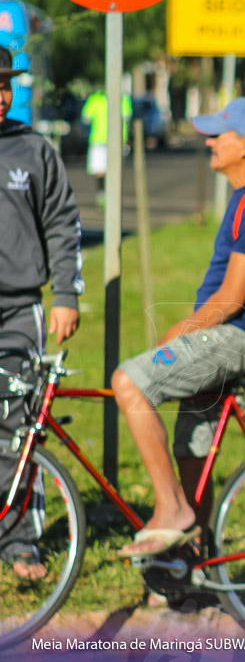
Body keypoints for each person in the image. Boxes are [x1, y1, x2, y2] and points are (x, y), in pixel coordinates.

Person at [112, 97, 245, 557]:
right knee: (193, 449)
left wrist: (181, 330)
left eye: (219, 135)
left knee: (129, 382)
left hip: (241, 335)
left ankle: (172, 509)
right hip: (227, 334)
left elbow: (231, 298)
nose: (209, 142)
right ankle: (200, 566)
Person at [0, 45, 83, 580]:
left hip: (17, 309)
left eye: (5, 84)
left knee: (16, 425)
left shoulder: (33, 149)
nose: (0, 93)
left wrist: (67, 296)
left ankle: (19, 540)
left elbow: (63, 223)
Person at [80, 88, 132, 204]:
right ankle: (106, 195)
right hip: (110, 140)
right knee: (106, 170)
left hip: (105, 140)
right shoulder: (122, 98)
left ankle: (103, 194)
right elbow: (127, 117)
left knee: (103, 170)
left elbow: (85, 118)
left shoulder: (95, 99)